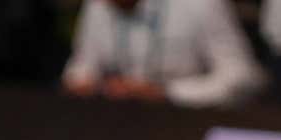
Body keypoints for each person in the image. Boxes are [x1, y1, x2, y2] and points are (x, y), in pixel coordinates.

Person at [62, 0, 265, 108]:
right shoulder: (98, 5)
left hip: (190, 121)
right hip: (119, 124)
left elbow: (242, 76)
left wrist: (167, 93)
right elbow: (82, 64)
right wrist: (83, 82)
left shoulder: (200, 3)